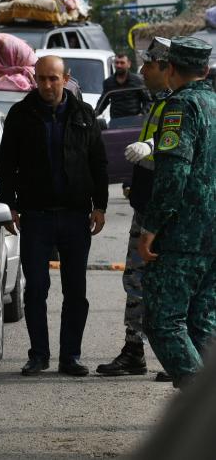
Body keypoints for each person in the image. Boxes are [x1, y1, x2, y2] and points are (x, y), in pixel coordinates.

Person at [0, 55, 108, 377]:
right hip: (37, 216)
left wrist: (99, 206)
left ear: (66, 78)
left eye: (53, 78)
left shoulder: (83, 114)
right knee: (35, 290)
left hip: (76, 217)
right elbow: (7, 164)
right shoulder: (21, 114)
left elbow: (98, 164)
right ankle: (39, 355)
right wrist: (10, 204)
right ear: (34, 78)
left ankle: (70, 357)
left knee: (76, 291)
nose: (47, 85)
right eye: (42, 78)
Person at [137, 36, 216, 389]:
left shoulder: (181, 107)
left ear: (170, 68)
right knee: (202, 321)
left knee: (164, 321)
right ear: (205, 68)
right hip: (211, 235)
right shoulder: (214, 102)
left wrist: (151, 227)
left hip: (184, 235)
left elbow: (174, 174)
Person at [97, 37, 173, 380]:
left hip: (164, 212)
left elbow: (178, 143)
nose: (142, 70)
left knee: (158, 282)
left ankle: (173, 356)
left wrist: (151, 147)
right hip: (148, 206)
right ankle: (136, 350)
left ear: (165, 67)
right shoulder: (158, 101)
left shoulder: (179, 104)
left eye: (148, 64)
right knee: (137, 280)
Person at [102, 53, 150, 119]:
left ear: (129, 64)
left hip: (134, 123)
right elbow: (103, 102)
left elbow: (148, 101)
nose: (119, 65)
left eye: (122, 63)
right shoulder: (108, 82)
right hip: (115, 123)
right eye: (117, 62)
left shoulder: (137, 81)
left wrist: (142, 114)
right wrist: (93, 114)